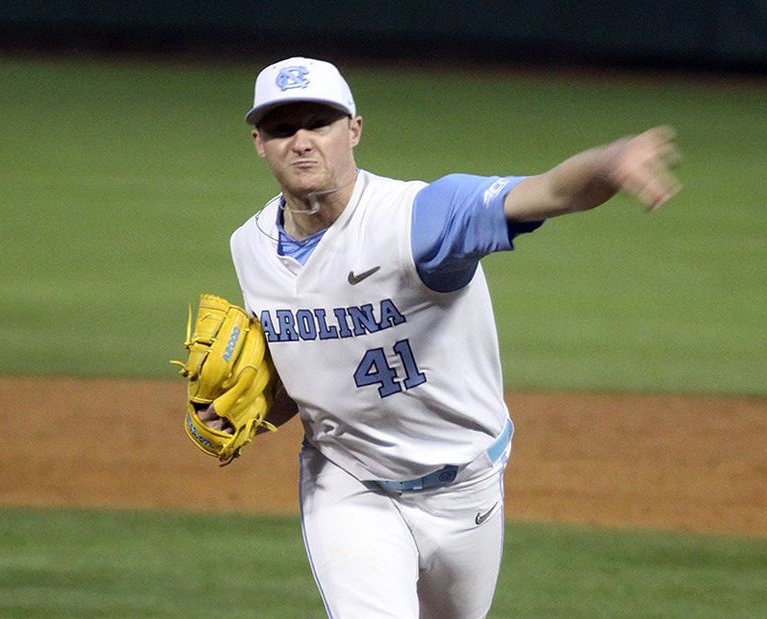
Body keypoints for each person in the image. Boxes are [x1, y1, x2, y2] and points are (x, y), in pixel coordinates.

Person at [227, 56, 680, 618]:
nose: (301, 140)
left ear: (354, 130)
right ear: (259, 143)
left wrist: (611, 161)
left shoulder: (420, 220)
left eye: (318, 121)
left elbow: (548, 192)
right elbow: (306, 376)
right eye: (280, 128)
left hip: (466, 486)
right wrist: (249, 412)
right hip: (348, 483)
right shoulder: (249, 247)